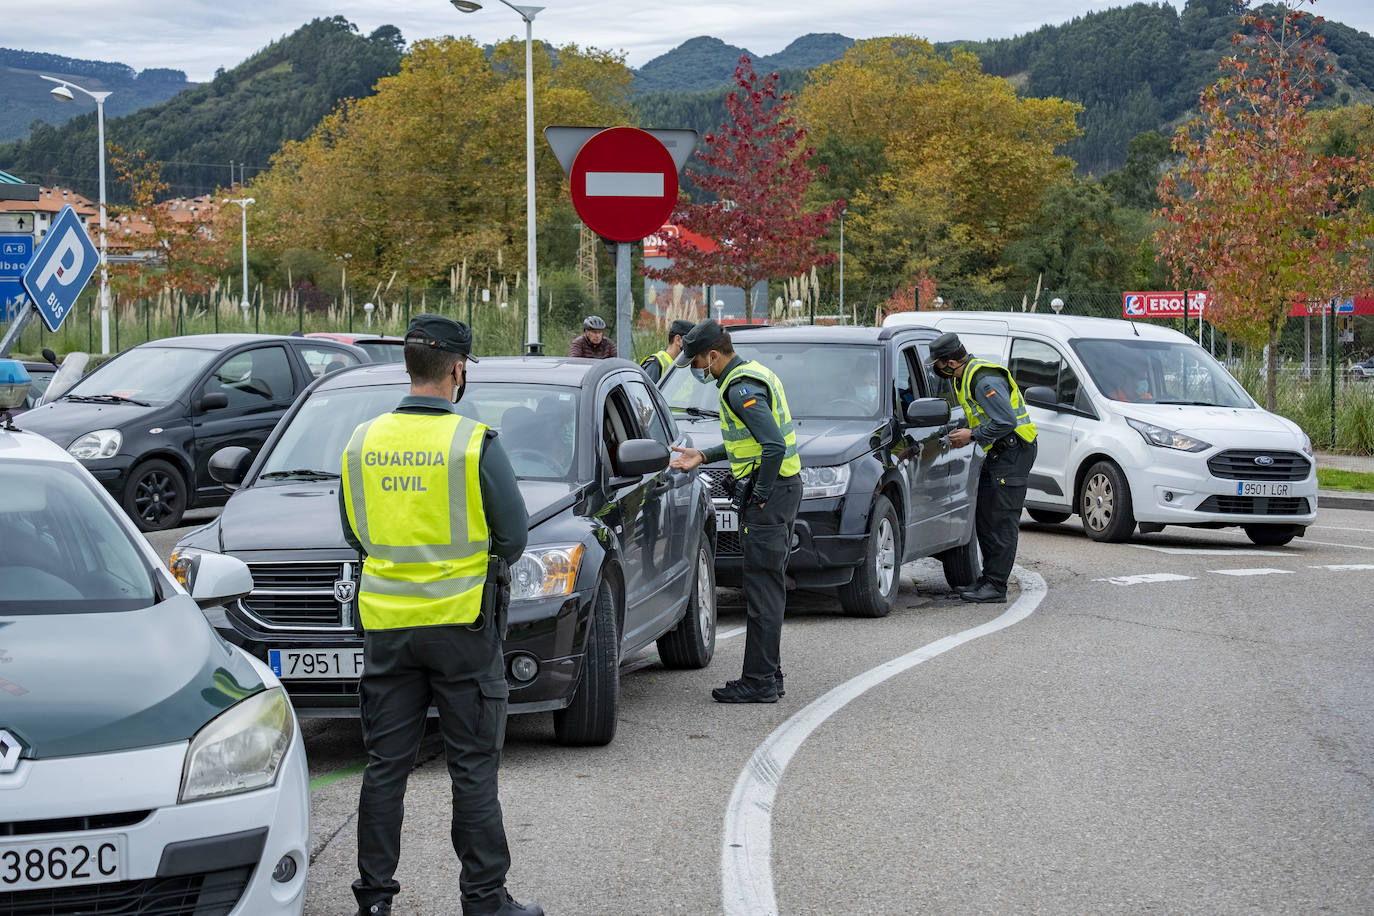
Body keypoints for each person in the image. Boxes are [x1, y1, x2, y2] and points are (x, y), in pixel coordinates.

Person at [340, 314, 542, 916]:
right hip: (462, 628)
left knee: (384, 768)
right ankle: (484, 900)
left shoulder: (361, 440)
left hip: (387, 628)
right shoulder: (473, 441)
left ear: (408, 366)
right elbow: (513, 537)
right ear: (457, 370)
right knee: (473, 767)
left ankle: (373, 901)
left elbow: (355, 531)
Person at [668, 319, 802, 703]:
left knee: (761, 589)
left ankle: (759, 681)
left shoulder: (738, 387)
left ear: (712, 355)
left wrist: (758, 495)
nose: (695, 369)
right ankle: (768, 675)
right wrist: (705, 455)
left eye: (696, 362)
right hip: (783, 491)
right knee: (768, 587)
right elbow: (753, 443)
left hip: (772, 496)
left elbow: (773, 445)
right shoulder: (751, 374)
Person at [927, 331, 1038, 604]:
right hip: (1002, 452)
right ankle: (987, 581)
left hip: (1013, 451)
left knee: (1000, 520)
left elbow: (1006, 421)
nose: (937, 370)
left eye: (937, 365)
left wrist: (972, 436)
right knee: (987, 518)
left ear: (950, 363)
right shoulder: (966, 377)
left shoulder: (983, 379)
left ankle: (996, 586)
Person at [640, 318, 696, 383]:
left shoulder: (687, 365)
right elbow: (645, 392)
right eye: (690, 342)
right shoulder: (656, 364)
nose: (693, 347)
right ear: (678, 340)